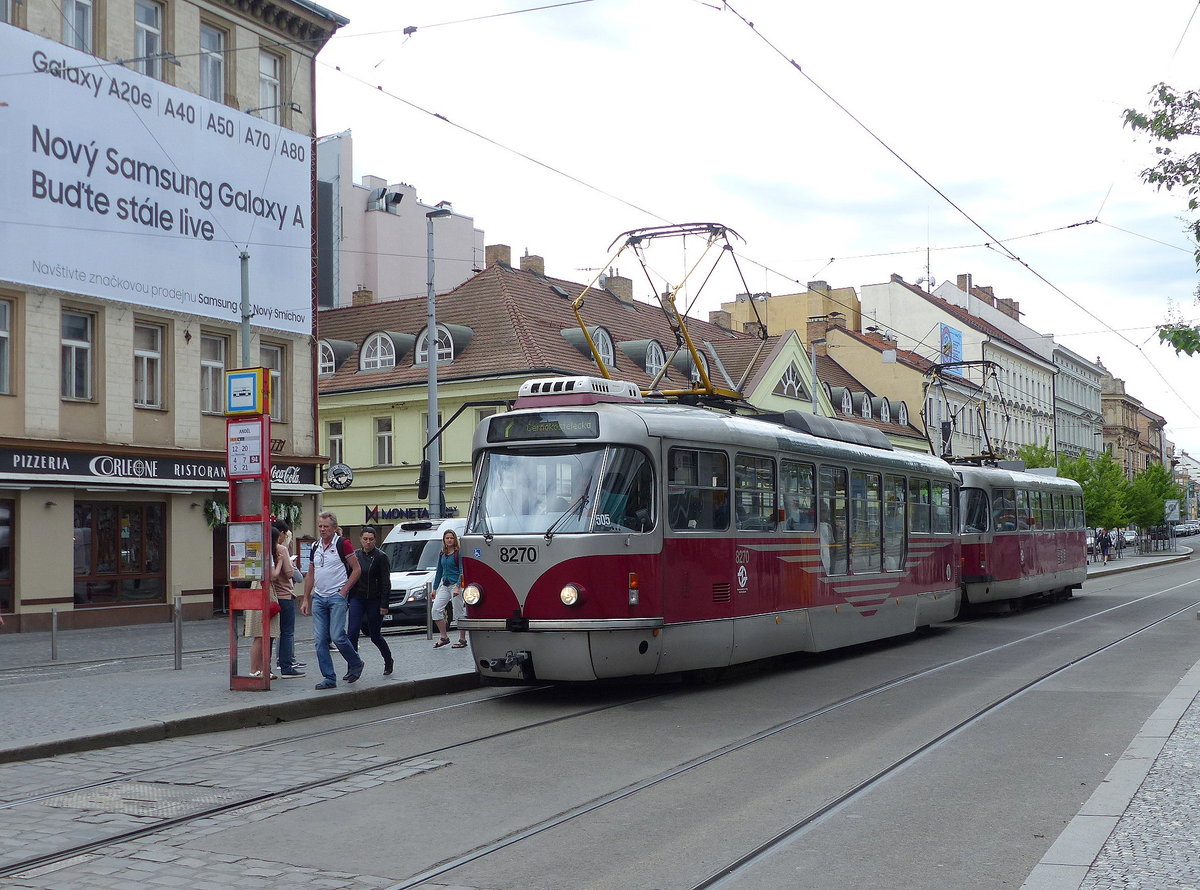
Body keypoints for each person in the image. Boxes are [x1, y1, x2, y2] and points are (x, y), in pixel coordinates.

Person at [300, 511, 363, 689]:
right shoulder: (315, 546)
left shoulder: (343, 544)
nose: (322, 529)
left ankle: (355, 662)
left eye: (326, 526)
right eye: (320, 526)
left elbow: (356, 569)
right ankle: (329, 677)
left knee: (337, 636)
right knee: (320, 640)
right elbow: (311, 573)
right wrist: (306, 598)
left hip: (336, 596)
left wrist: (344, 591)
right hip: (319, 597)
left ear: (334, 528)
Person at [349, 526, 394, 676]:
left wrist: (384, 604)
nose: (368, 542)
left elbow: (385, 582)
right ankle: (353, 666)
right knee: (352, 633)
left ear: (375, 540)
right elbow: (350, 577)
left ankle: (388, 660)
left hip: (374, 600)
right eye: (365, 539)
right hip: (357, 598)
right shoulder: (355, 556)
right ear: (360, 540)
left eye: (371, 539)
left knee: (375, 635)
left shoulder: (381, 557)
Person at [244, 529, 282, 680]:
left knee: (261, 634)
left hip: (257, 588)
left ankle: (261, 669)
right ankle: (255, 669)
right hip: (264, 589)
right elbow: (273, 575)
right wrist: (280, 563)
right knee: (260, 634)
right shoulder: (267, 553)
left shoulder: (257, 550)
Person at [274, 522, 305, 678]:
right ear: (281, 534)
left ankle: (265, 668)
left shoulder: (265, 548)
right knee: (287, 632)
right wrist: (291, 563)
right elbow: (289, 573)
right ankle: (286, 666)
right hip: (285, 595)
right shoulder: (282, 549)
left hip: (271, 596)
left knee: (271, 633)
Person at [431, 528, 467, 649]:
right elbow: (439, 571)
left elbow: (462, 571)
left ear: (455, 539)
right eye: (447, 538)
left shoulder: (458, 553)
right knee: (435, 610)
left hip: (456, 585)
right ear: (444, 540)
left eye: (451, 538)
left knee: (458, 612)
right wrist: (434, 588)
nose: (449, 540)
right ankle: (444, 637)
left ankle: (462, 639)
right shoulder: (442, 553)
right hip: (445, 585)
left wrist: (458, 587)